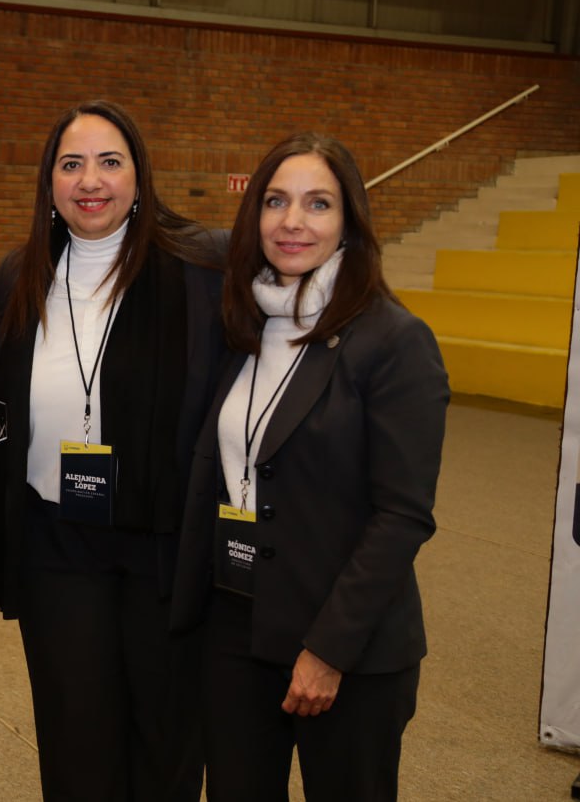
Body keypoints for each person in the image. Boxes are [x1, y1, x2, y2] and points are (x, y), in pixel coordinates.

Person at [171, 133, 449, 801]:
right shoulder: (244, 324)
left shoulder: (393, 340)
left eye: (318, 203)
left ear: (350, 220)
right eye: (276, 202)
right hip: (238, 629)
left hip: (347, 648)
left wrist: (327, 651)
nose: (292, 221)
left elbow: (401, 516)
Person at [0, 100, 227, 801]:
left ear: (140, 176)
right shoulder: (20, 274)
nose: (90, 180)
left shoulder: (199, 266)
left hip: (163, 546)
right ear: (49, 183)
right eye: (71, 164)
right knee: (75, 737)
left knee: (165, 738)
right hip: (58, 546)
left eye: (109, 162)